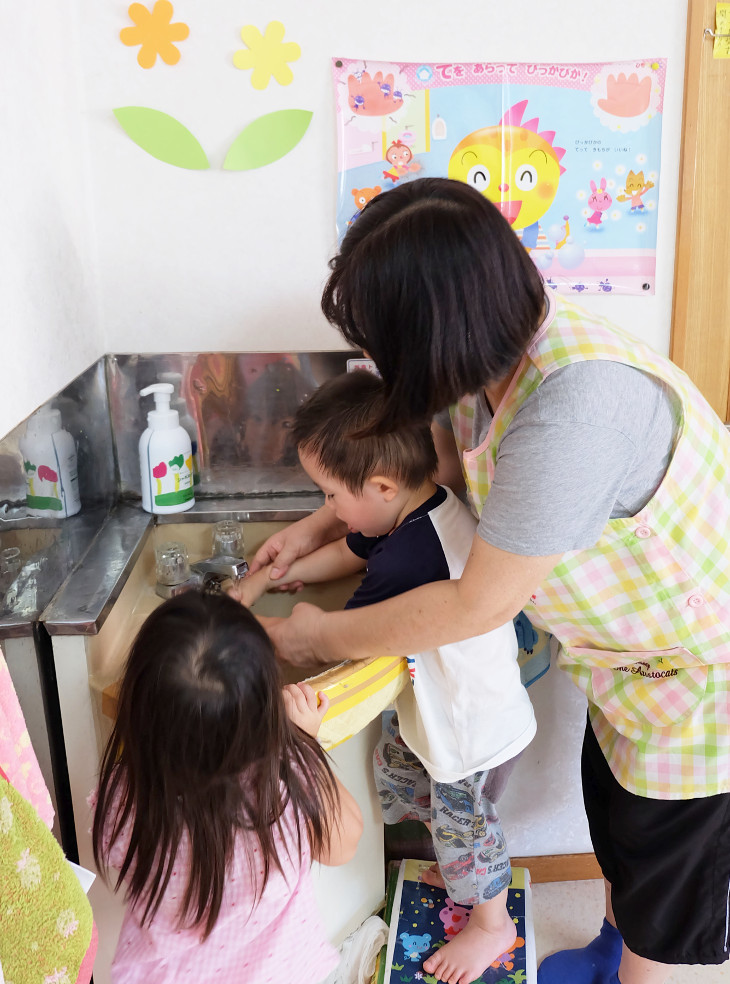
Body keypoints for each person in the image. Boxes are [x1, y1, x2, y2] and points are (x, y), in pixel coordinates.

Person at [249, 177, 730, 984]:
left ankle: (640, 967)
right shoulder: (497, 363)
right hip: (626, 665)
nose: (384, 366)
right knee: (621, 833)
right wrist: (315, 526)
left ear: (436, 334)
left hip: (701, 679)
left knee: (667, 889)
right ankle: (610, 952)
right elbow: (428, 470)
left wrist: (315, 635)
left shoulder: (571, 412)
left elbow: (478, 603)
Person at [232, 369, 536, 984]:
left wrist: (244, 626)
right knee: (401, 776)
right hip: (440, 711)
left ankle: (491, 923)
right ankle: (450, 863)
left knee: (469, 832)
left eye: (330, 496)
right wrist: (291, 572)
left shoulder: (410, 559)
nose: (328, 510)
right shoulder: (421, 507)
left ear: (381, 486)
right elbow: (352, 549)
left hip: (470, 734)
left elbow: (338, 639)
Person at [91, 590, 362, 984]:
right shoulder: (282, 787)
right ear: (265, 710)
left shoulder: (125, 797)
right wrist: (303, 743)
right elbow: (344, 844)